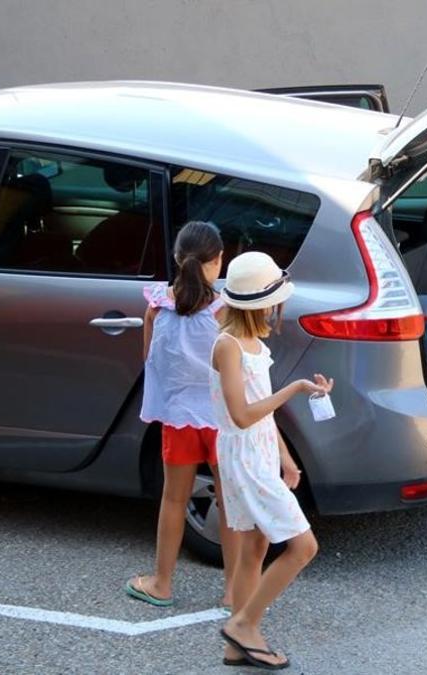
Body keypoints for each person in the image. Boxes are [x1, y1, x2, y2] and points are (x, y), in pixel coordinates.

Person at [211, 251, 332, 670]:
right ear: (261, 304)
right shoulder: (227, 346)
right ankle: (243, 625)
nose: (279, 308)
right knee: (303, 546)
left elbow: (260, 416)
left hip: (258, 451)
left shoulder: (252, 345)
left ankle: (236, 644)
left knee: (256, 546)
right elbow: (242, 415)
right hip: (244, 457)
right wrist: (295, 388)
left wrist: (286, 458)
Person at [126, 221, 237, 609]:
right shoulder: (225, 312)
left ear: (176, 258)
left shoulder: (158, 306)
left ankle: (162, 583)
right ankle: (233, 593)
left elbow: (151, 362)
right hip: (222, 418)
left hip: (178, 417)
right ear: (219, 260)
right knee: (230, 502)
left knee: (174, 500)